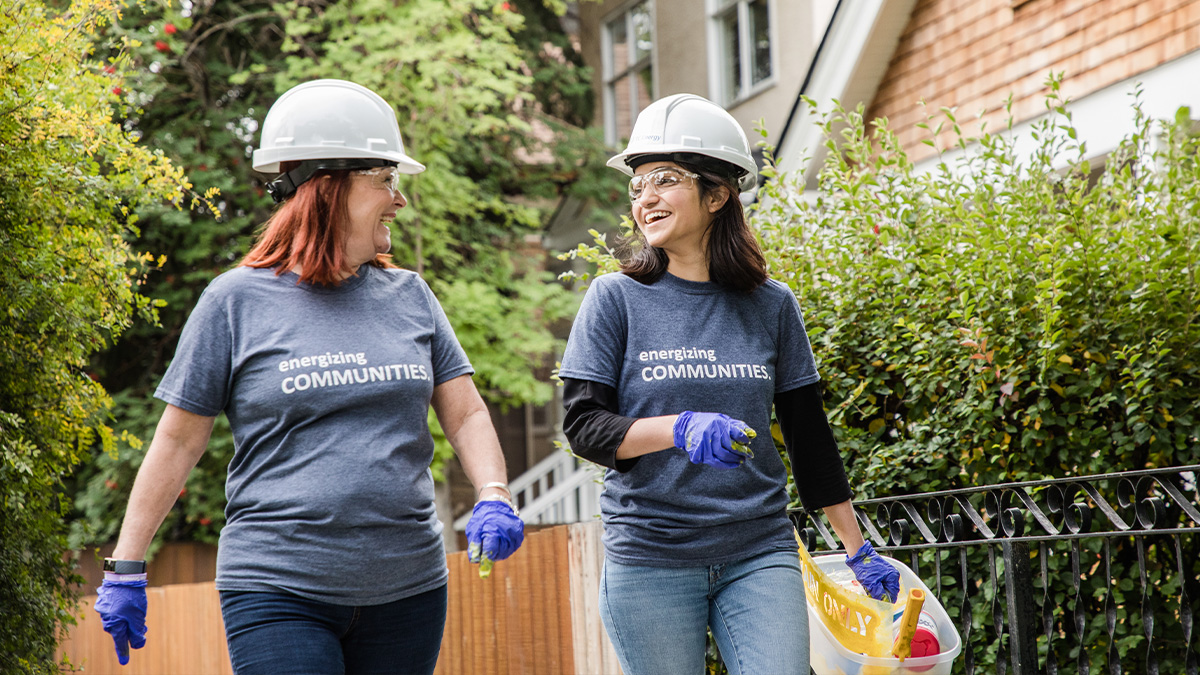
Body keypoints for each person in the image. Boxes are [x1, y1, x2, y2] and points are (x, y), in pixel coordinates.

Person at [93, 79, 524, 674]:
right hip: (277, 587)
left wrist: (494, 493)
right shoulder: (234, 301)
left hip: (409, 588)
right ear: (329, 188)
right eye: (385, 181)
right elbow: (178, 439)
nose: (399, 201)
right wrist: (126, 566)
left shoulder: (411, 296)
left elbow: (466, 410)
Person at [558, 93, 900, 675]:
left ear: (717, 194)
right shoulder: (614, 299)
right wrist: (679, 429)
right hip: (651, 555)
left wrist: (856, 546)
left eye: (664, 180)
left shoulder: (770, 305)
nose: (646, 198)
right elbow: (584, 427)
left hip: (757, 548)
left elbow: (808, 436)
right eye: (637, 185)